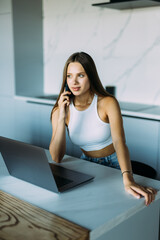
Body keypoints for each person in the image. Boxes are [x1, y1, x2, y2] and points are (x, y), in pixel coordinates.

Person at [49, 52, 157, 206]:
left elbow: (120, 142)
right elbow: (56, 157)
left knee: (124, 202)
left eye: (81, 75)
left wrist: (128, 178)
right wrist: (61, 117)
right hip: (86, 163)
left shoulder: (107, 102)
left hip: (115, 163)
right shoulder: (60, 109)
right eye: (69, 76)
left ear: (90, 76)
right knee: (86, 204)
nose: (74, 82)